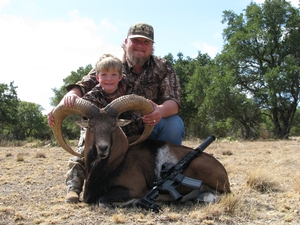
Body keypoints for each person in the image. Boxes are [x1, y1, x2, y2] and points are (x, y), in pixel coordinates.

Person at [48, 22, 185, 202]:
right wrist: (65, 102)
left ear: (152, 46)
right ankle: (74, 188)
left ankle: (167, 177)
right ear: (126, 42)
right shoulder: (112, 65)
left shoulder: (163, 67)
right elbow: (83, 86)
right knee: (87, 141)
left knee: (174, 123)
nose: (140, 46)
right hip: (108, 126)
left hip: (145, 127)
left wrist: (160, 110)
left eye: (146, 42)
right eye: (136, 40)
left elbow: (174, 101)